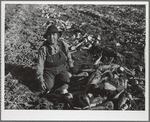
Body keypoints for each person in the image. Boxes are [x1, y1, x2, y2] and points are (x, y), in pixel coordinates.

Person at [36, 24, 78, 93]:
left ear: (57, 35)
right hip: (49, 70)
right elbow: (40, 65)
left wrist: (71, 66)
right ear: (46, 37)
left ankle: (57, 79)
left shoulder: (63, 45)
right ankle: (47, 79)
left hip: (62, 68)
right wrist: (40, 79)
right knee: (47, 86)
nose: (52, 37)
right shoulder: (44, 49)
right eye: (49, 35)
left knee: (67, 81)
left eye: (54, 34)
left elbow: (68, 55)